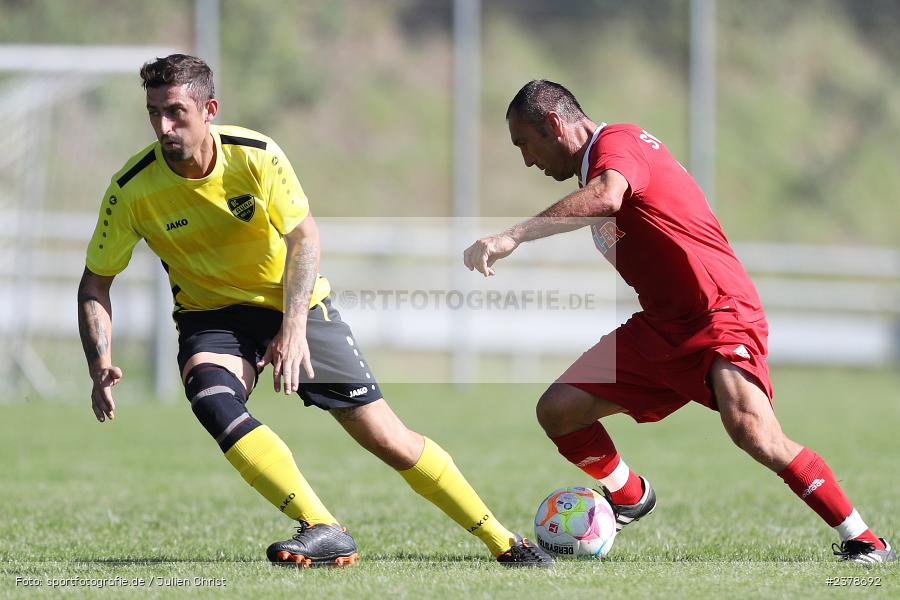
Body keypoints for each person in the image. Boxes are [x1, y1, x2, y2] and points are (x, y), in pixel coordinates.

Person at [76, 54, 552, 568]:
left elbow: (304, 239)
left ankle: (505, 543)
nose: (164, 127)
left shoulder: (255, 156)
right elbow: (95, 283)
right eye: (154, 113)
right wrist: (98, 364)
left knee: (389, 440)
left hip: (293, 303)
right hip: (211, 317)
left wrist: (294, 325)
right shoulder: (131, 190)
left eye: (176, 112)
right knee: (212, 398)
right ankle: (322, 526)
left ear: (209, 109)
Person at [463, 79, 895, 564]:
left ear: (554, 125)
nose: (526, 160)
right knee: (559, 410)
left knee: (754, 431)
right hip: (662, 327)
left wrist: (514, 236)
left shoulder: (618, 145)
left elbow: (608, 197)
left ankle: (865, 540)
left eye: (525, 144)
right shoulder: (598, 169)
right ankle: (628, 495)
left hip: (718, 312)